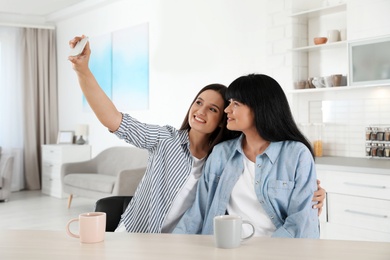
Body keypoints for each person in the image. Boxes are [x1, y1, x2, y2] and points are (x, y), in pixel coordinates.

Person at [68, 36, 325, 233]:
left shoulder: (224, 155)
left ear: (224, 118)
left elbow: (288, 206)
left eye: (214, 108)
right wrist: (82, 70)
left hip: (188, 245)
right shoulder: (170, 141)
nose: (200, 111)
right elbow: (114, 120)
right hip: (141, 236)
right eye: (198, 102)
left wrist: (316, 197)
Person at [174, 74, 320, 238]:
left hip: (278, 251)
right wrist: (173, 245)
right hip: (227, 249)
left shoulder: (296, 154)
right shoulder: (221, 153)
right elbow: (197, 213)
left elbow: (301, 222)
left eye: (235, 104)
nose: (227, 110)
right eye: (229, 103)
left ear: (259, 108)